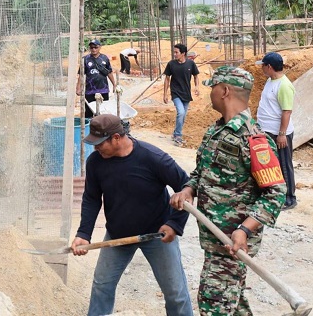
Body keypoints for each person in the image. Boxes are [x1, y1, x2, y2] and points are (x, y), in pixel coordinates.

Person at [170, 66, 285, 316]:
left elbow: (275, 193)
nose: (209, 93)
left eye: (213, 88)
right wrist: (189, 189)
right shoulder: (216, 131)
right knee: (235, 303)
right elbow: (201, 173)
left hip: (233, 243)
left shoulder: (254, 139)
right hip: (215, 239)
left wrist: (244, 230)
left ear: (224, 91)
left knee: (214, 304)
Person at [71, 114, 193, 316]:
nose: (96, 148)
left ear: (117, 137)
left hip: (157, 235)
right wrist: (84, 233)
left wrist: (174, 224)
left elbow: (186, 187)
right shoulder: (96, 162)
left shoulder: (153, 158)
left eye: (100, 143)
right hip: (118, 235)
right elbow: (91, 198)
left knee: (175, 293)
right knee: (102, 286)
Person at [257, 52, 297, 209]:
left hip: (279, 133)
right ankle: (275, 193)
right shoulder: (270, 81)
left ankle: (289, 198)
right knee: (270, 164)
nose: (261, 68)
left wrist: (282, 134)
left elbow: (286, 111)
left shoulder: (284, 85)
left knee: (284, 165)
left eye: (263, 65)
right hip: (267, 131)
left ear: (269, 67)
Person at [163, 44, 200, 146]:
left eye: (176, 52)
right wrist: (165, 94)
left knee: (183, 115)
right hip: (175, 93)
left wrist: (197, 87)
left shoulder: (190, 64)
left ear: (183, 53)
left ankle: (175, 133)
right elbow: (167, 79)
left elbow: (196, 76)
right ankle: (178, 135)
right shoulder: (171, 64)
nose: (174, 54)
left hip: (186, 94)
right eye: (174, 52)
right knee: (181, 112)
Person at [76, 39, 117, 118]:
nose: (94, 49)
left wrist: (114, 84)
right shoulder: (85, 59)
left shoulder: (104, 58)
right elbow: (81, 75)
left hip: (103, 89)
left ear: (100, 47)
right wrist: (78, 88)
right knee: (89, 112)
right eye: (91, 48)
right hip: (90, 91)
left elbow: (109, 72)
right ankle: (89, 129)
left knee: (104, 111)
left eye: (95, 47)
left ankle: (103, 129)